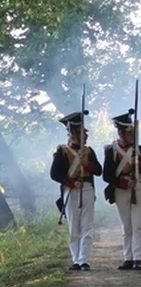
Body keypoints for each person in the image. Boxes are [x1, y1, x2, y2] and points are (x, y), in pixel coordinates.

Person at [50, 110, 102, 271]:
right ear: (74, 134)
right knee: (74, 228)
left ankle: (84, 260)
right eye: (82, 133)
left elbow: (99, 171)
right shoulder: (63, 151)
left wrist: (87, 165)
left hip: (87, 189)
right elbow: (55, 174)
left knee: (87, 226)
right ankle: (76, 259)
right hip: (71, 191)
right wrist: (71, 182)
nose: (85, 136)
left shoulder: (88, 152)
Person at [102, 110, 141, 270]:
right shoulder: (111, 150)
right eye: (129, 133)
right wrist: (123, 184)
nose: (132, 136)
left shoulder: (139, 149)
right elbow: (107, 175)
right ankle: (128, 258)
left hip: (137, 188)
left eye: (133, 133)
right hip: (121, 190)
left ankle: (137, 258)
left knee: (138, 225)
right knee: (126, 226)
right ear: (121, 133)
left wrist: (139, 164)